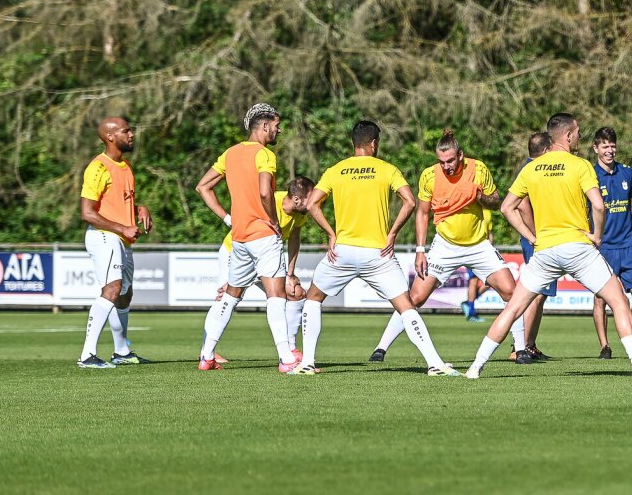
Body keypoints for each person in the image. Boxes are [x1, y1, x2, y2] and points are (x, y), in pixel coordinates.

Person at [466, 113, 632, 380]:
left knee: (512, 309)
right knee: (619, 301)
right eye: (578, 132)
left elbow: (506, 207)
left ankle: (475, 367)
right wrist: (597, 236)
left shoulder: (531, 168)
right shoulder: (580, 165)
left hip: (545, 250)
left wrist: (531, 236)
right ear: (568, 136)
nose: (579, 136)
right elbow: (599, 206)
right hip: (578, 248)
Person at [298, 120, 459, 376]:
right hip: (378, 254)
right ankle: (435, 364)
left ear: (354, 143)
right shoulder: (387, 169)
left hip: (342, 252)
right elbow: (409, 202)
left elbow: (311, 204)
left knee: (313, 298)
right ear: (374, 144)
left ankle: (307, 363)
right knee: (406, 306)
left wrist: (331, 233)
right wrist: (392, 233)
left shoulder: (335, 170)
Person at [368, 130, 526, 362]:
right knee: (415, 298)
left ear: (460, 155)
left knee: (511, 291)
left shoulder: (478, 169)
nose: (446, 166)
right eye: (441, 162)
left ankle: (520, 349)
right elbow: (422, 214)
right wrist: (420, 251)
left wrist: (481, 197)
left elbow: (496, 202)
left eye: (450, 161)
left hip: (478, 245)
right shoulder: (430, 175)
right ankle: (380, 348)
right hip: (445, 246)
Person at [194, 103, 300, 373]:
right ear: (264, 126)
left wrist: (227, 218)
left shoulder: (230, 153)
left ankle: (206, 356)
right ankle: (286, 359)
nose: (279, 131)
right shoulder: (264, 154)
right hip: (263, 235)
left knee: (231, 295)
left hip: (239, 237)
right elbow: (265, 193)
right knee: (276, 295)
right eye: (276, 126)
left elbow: (203, 187)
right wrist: (273, 221)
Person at [206, 176, 314, 364]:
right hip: (236, 251)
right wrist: (234, 276)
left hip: (265, 257)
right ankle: (208, 351)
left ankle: (290, 348)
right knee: (224, 297)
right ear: (297, 199)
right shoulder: (270, 202)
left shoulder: (300, 214)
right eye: (311, 198)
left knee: (295, 293)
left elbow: (294, 238)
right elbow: (249, 233)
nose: (314, 203)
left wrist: (290, 273)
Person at [76, 116, 154, 369]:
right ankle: (87, 355)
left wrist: (139, 209)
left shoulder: (125, 166)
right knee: (112, 289)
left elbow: (118, 203)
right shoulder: (98, 167)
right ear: (110, 136)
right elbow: (87, 212)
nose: (131, 134)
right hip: (104, 236)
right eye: (126, 131)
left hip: (122, 239)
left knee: (124, 294)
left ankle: (121, 351)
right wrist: (123, 228)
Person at [589, 127, 632, 359]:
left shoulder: (628, 173)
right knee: (601, 298)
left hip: (628, 245)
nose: (610, 150)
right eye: (605, 146)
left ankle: (631, 339)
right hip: (603, 247)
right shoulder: (590, 175)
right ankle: (605, 346)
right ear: (596, 148)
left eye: (612, 145)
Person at [508, 131, 554, 363]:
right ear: (546, 150)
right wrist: (536, 235)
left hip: (538, 238)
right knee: (535, 293)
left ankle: (529, 344)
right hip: (537, 239)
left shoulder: (533, 168)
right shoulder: (532, 169)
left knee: (540, 294)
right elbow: (522, 205)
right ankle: (521, 346)